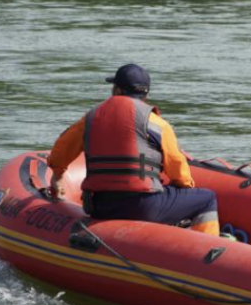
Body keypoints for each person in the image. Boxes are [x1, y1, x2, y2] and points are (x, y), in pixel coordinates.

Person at [45, 64, 220, 236]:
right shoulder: (158, 124)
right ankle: (208, 246)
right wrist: (185, 189)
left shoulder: (91, 118)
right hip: (144, 206)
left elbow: (61, 149)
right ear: (146, 94)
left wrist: (57, 176)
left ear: (117, 90)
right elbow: (177, 168)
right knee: (206, 199)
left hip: (99, 206)